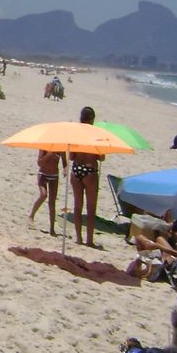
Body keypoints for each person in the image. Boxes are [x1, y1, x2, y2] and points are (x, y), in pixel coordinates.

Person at [70, 106, 103, 249]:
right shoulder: (96, 134)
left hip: (76, 169)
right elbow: (101, 157)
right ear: (92, 119)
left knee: (77, 206)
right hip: (90, 170)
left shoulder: (75, 134)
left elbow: (71, 156)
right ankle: (89, 241)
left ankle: (78, 238)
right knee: (91, 208)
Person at [28, 149, 64, 236]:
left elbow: (65, 162)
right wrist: (49, 155)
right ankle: (31, 215)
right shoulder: (44, 148)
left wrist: (66, 170)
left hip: (54, 176)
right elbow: (39, 163)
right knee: (43, 195)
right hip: (43, 175)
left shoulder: (60, 149)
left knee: (52, 202)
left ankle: (52, 228)